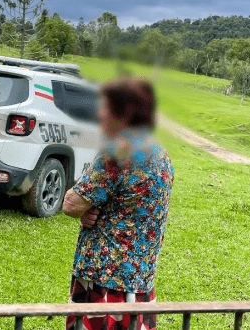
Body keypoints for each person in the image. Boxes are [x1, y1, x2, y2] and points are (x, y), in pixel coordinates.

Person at [62, 78, 174, 330]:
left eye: (106, 107)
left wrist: (86, 207)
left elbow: (71, 203)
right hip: (140, 281)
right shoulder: (160, 153)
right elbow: (130, 206)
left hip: (104, 282)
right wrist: (92, 208)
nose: (100, 113)